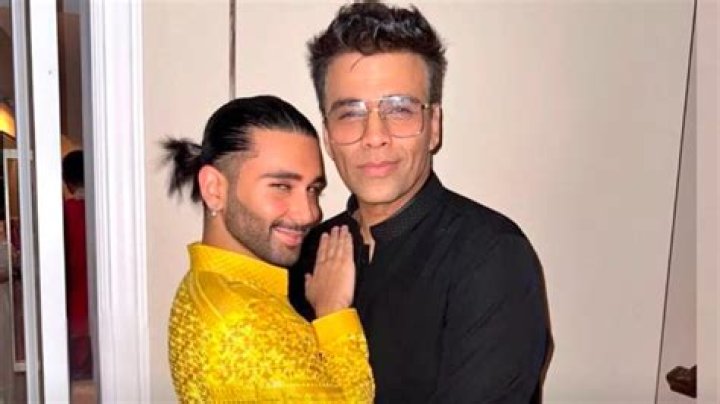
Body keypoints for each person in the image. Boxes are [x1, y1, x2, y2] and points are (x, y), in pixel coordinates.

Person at [289, 2, 550, 402]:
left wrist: (332, 320)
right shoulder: (305, 252)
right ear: (327, 134)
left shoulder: (491, 256)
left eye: (399, 110)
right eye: (350, 113)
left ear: (434, 126)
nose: (374, 136)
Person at [163, 95, 373, 403]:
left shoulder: (212, 286)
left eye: (313, 190)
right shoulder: (241, 323)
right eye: (282, 187)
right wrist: (333, 312)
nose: (309, 213)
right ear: (214, 189)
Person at [61, 149, 92, 380]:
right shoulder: (102, 211)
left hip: (72, 302)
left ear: (68, 183)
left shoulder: (64, 212)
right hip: (98, 304)